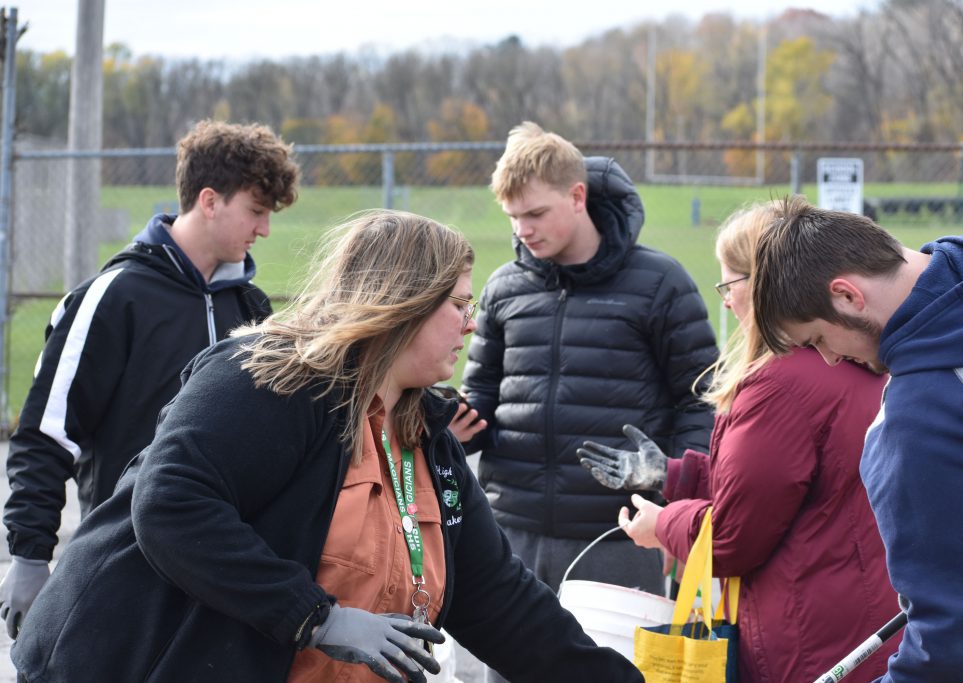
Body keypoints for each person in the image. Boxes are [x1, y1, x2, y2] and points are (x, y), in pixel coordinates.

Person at [11, 210, 644, 683]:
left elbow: (499, 599)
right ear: (400, 306)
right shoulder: (272, 379)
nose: (471, 322)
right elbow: (172, 506)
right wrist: (315, 617)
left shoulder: (424, 437)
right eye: (455, 303)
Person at [577, 198, 900, 682]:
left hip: (809, 636)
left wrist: (663, 524)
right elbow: (797, 487)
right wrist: (677, 475)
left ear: (765, 283)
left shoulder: (780, 385)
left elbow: (732, 539)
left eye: (729, 284)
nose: (725, 300)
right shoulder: (848, 359)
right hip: (856, 613)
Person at [0, 119, 300, 639]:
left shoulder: (251, 308)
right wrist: (29, 554)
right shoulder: (113, 298)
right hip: (124, 569)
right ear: (209, 200)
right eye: (256, 211)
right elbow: (46, 436)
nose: (265, 229)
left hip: (227, 579)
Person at [750, 199, 963, 682]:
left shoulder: (921, 415)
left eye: (817, 339)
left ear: (847, 295)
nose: (830, 360)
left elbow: (951, 635)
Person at [455, 121, 718, 606]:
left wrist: (676, 513)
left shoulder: (661, 283)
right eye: (513, 216)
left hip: (618, 537)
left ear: (577, 196)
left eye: (535, 213)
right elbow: (483, 399)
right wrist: (456, 422)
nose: (522, 230)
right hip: (510, 536)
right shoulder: (502, 288)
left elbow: (700, 402)